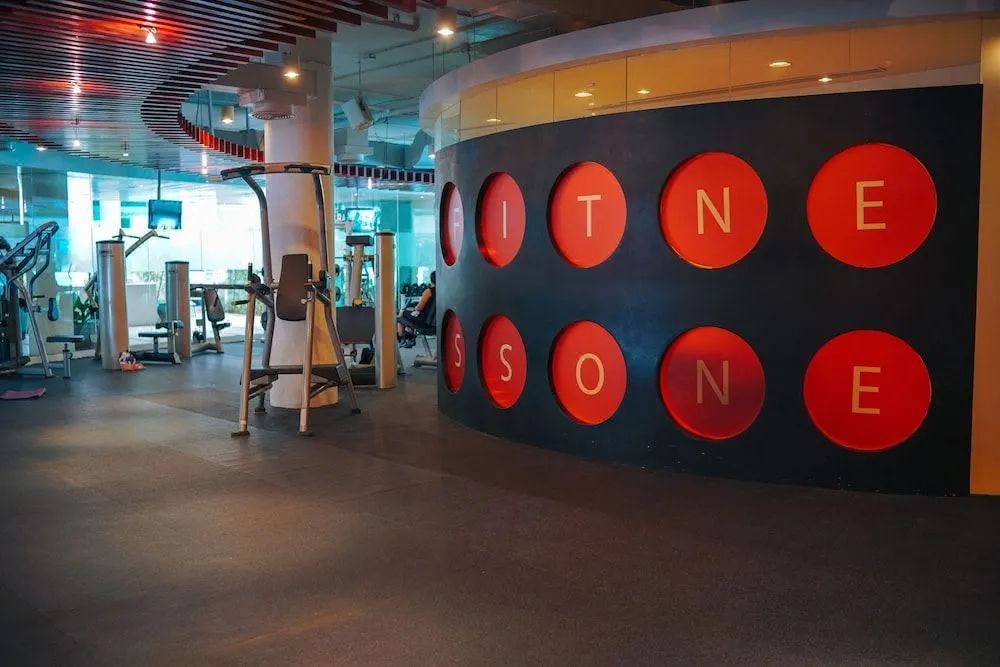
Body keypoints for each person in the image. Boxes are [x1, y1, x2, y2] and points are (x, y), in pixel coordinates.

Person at [397, 271, 435, 348]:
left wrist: (414, 309)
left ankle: (402, 340)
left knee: (401, 316)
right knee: (408, 316)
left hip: (425, 323)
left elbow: (419, 307)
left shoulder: (428, 292)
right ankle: (409, 338)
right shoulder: (442, 292)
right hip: (435, 323)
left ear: (431, 280)